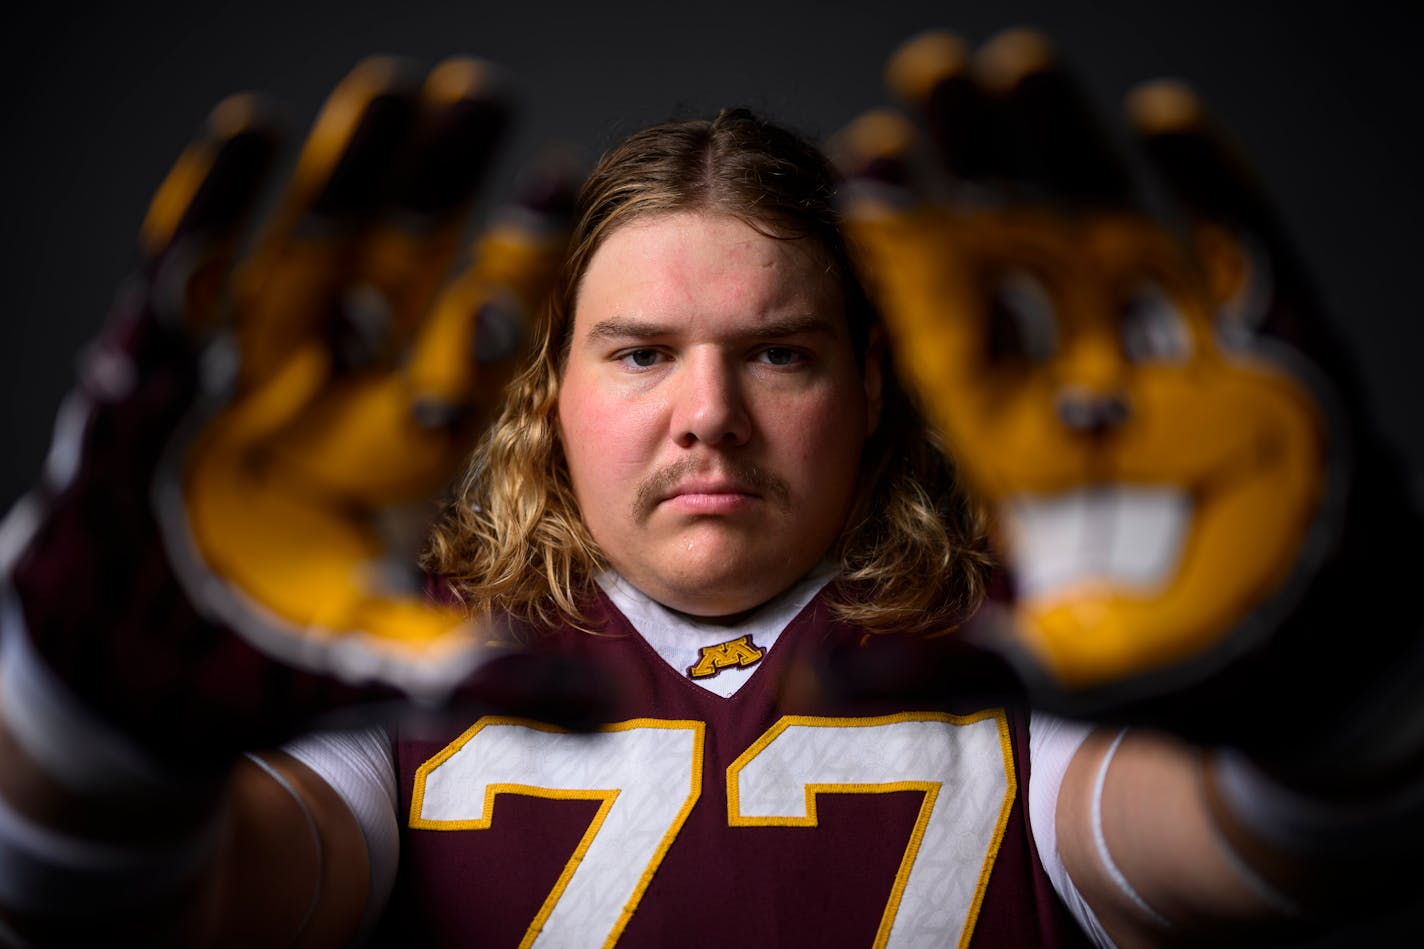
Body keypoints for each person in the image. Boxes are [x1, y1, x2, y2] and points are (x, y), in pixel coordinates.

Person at [1, 39, 1419, 949]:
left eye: (779, 353)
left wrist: (1340, 731)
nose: (709, 417)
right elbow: (187, 907)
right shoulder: (404, 650)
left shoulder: (1027, 641)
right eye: (640, 353)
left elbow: (1238, 856)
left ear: (874, 379)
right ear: (547, 386)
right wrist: (84, 746)